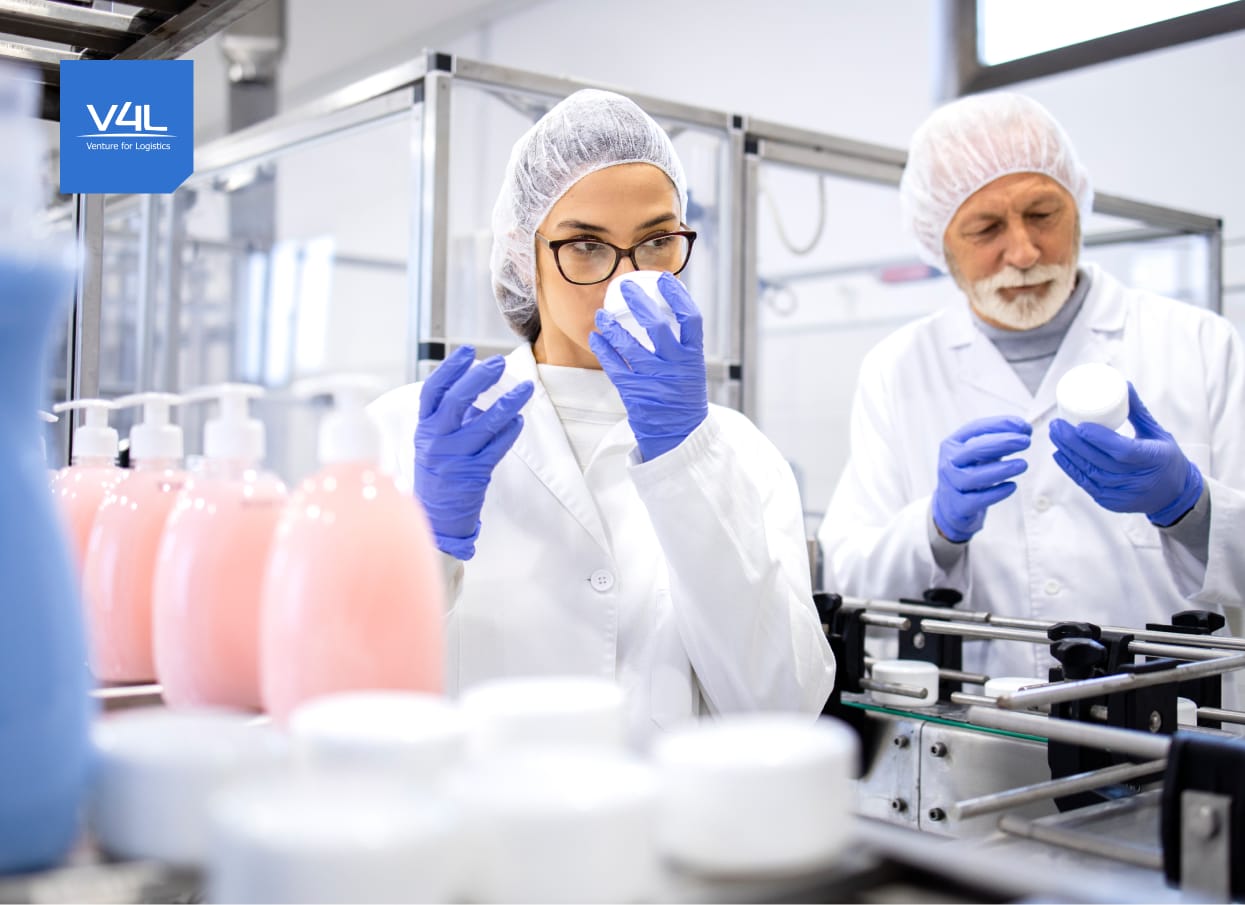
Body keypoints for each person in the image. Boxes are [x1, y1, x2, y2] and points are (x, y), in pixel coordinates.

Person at [370, 89, 835, 738]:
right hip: (478, 803)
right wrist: (429, 550)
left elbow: (783, 706)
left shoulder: (737, 452)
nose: (625, 278)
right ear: (525, 255)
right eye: (586, 245)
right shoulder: (409, 435)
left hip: (669, 806)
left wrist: (688, 465)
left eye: (657, 241)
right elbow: (345, 696)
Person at [818, 92, 1245, 681]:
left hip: (1174, 714)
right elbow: (848, 580)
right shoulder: (898, 369)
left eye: (1043, 214)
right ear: (940, 244)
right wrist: (935, 531)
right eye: (985, 228)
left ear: (1078, 210)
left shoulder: (1200, 345)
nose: (1022, 252)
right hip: (976, 718)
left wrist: (1192, 509)